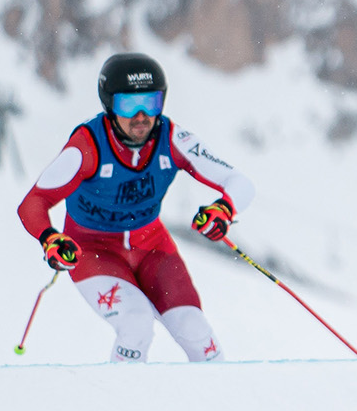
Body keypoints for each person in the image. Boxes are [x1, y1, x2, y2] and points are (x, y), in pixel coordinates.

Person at [17, 53, 254, 362]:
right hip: (93, 249)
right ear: (109, 105)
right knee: (135, 323)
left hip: (152, 245)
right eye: (129, 105)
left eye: (151, 103)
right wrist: (50, 238)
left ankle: (218, 394)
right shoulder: (88, 145)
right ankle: (123, 393)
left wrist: (224, 209)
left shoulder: (173, 138)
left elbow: (239, 182)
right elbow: (33, 202)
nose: (141, 116)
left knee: (197, 332)